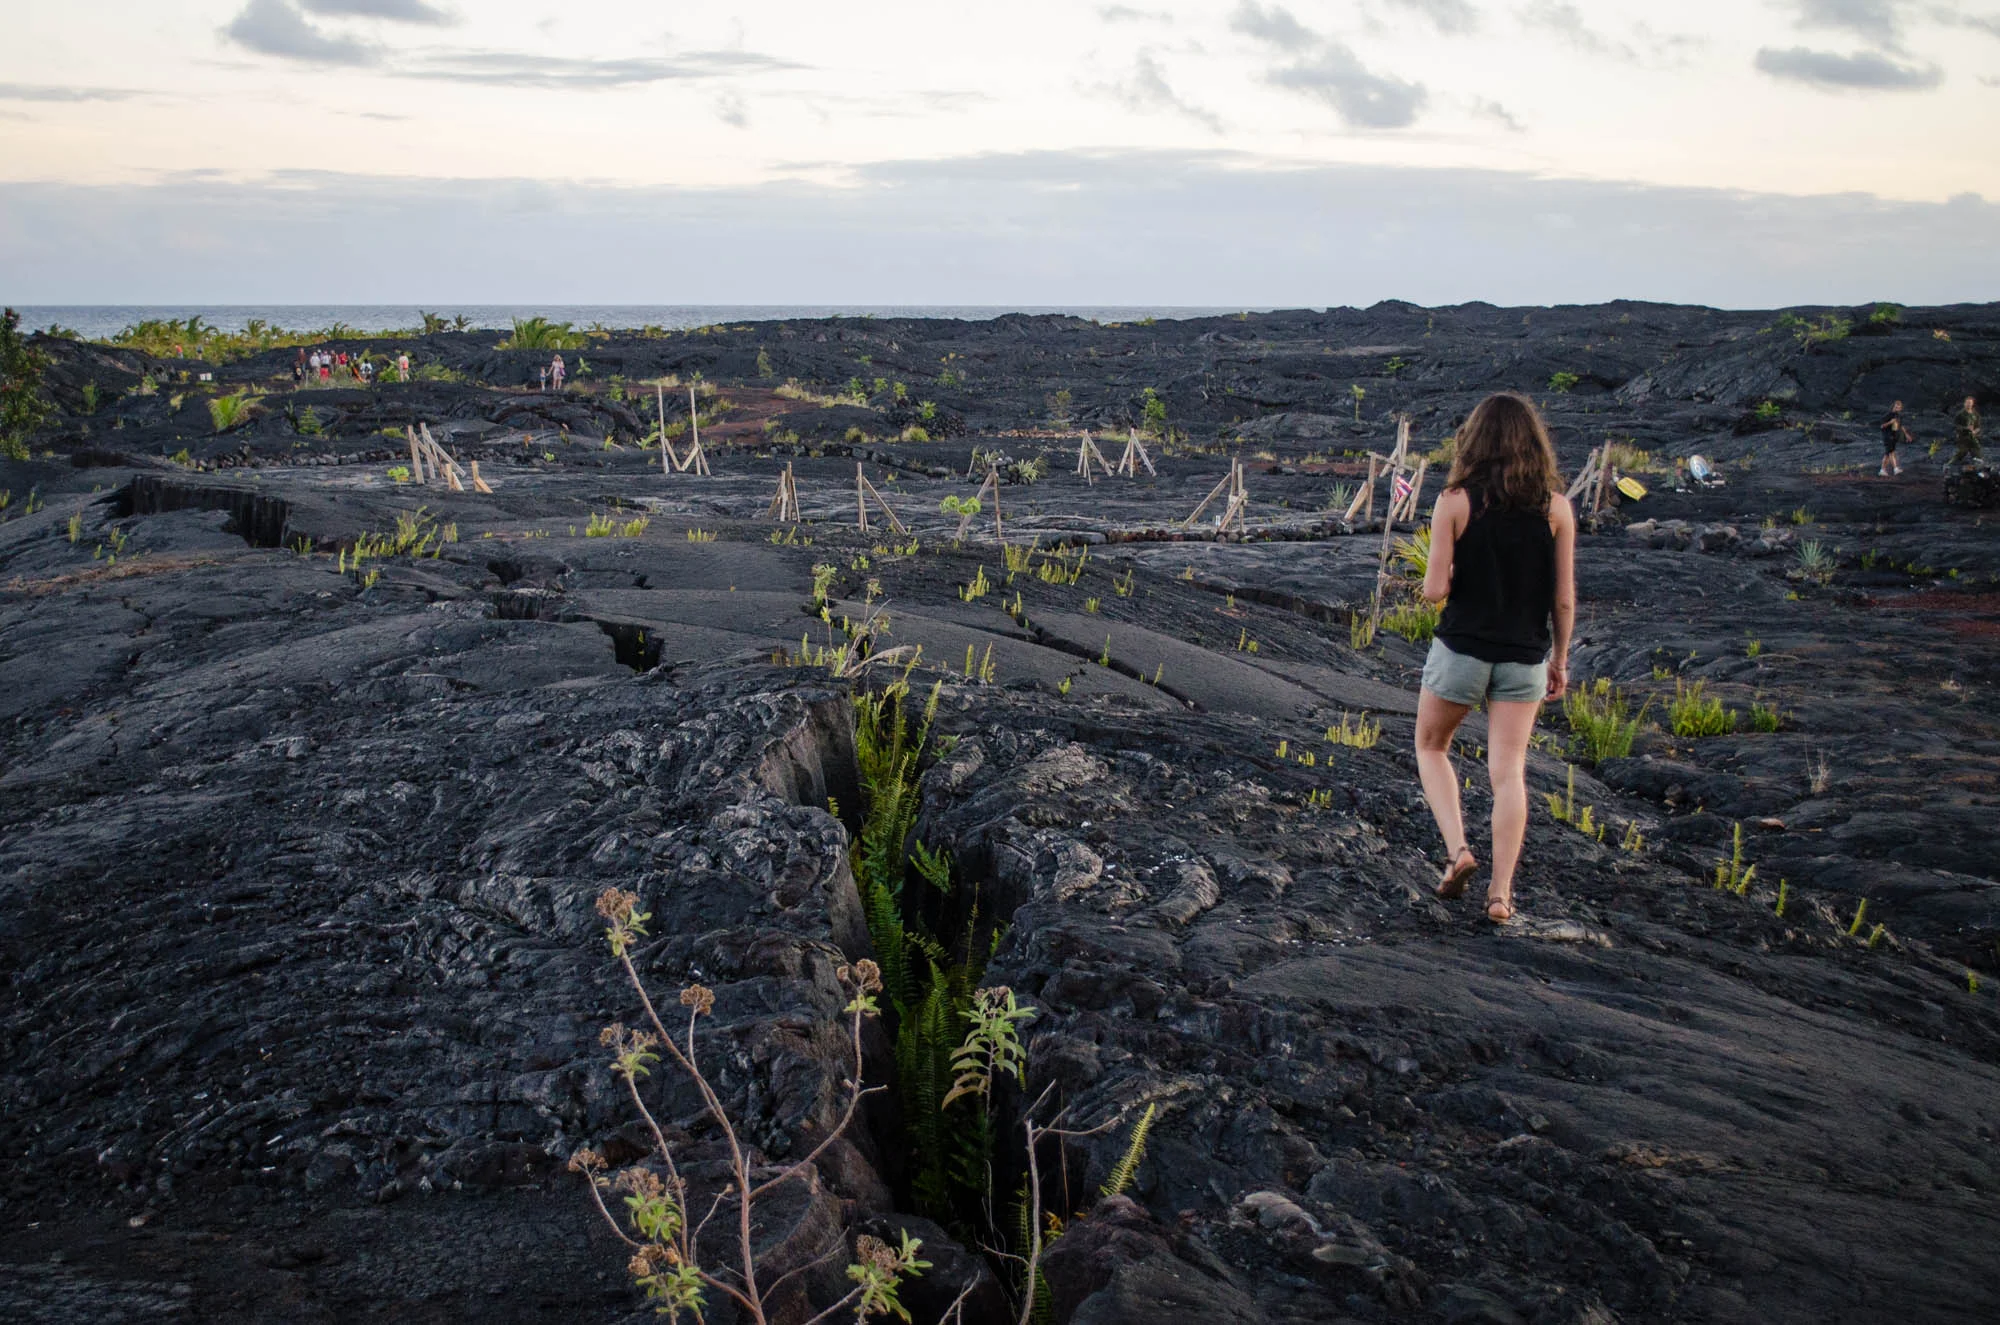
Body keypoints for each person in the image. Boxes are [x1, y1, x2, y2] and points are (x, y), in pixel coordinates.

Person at [1413, 391, 1576, 924]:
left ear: (1474, 439)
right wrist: (1560, 659)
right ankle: (1501, 896)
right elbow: (1564, 598)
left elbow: (1435, 590)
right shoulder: (1556, 509)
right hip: (1524, 655)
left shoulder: (1455, 501)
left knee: (1432, 745)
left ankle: (1458, 850)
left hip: (1462, 648)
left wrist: (1454, 575)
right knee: (1509, 773)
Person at [1878, 400, 1909, 477]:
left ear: (1900, 408)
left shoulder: (1898, 416)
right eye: (1896, 407)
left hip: (1894, 436)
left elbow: (1900, 426)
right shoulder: (1888, 415)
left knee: (1888, 453)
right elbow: (1881, 426)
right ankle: (1894, 469)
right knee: (1890, 453)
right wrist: (1890, 422)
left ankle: (1883, 470)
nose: (1897, 408)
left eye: (1899, 407)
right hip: (1887, 436)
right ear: (1893, 406)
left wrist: (1906, 435)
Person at [1951, 396, 1982, 467]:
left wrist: (1975, 431)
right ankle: (1950, 464)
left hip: (1972, 437)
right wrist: (1966, 428)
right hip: (1962, 437)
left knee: (1976, 451)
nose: (1968, 404)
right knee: (1963, 451)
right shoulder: (1960, 414)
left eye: (1970, 403)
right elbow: (1955, 425)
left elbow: (1978, 426)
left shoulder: (1975, 414)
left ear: (1972, 404)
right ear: (1964, 403)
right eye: (1967, 403)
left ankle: (1978, 467)